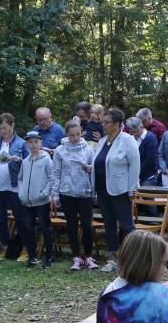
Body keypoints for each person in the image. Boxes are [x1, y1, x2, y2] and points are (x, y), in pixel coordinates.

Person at [91, 108, 142, 271]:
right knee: (109, 224)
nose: (103, 125)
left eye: (107, 122)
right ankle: (112, 258)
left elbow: (135, 166)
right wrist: (89, 168)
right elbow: (100, 162)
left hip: (121, 190)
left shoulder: (127, 140)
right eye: (103, 122)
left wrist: (132, 190)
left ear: (118, 124)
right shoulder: (103, 141)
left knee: (127, 225)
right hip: (102, 189)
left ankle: (134, 258)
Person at [53, 116, 96, 270]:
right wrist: (55, 194)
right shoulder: (60, 150)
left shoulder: (88, 149)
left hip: (85, 192)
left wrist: (89, 169)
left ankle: (89, 256)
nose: (75, 138)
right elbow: (56, 172)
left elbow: (94, 171)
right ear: (66, 134)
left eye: (78, 134)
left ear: (81, 133)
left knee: (87, 226)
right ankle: (76, 257)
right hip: (67, 192)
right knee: (71, 226)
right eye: (72, 135)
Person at [14, 130, 59, 267]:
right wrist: (21, 192)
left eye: (36, 142)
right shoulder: (26, 161)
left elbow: (52, 177)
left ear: (40, 143)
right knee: (28, 227)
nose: (33, 145)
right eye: (30, 142)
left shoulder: (46, 159)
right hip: (26, 201)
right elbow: (20, 178)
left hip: (41, 201)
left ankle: (49, 256)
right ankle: (32, 256)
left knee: (46, 228)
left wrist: (45, 193)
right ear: (27, 144)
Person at [0, 113, 26, 261]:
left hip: (15, 186)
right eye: (1, 128)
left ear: (12, 125)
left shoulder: (21, 143)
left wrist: (18, 159)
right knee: (1, 219)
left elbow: (28, 162)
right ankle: (5, 248)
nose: (3, 131)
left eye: (6, 127)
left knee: (20, 218)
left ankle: (24, 249)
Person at [131, 115, 159, 186]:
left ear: (141, 126)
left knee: (146, 196)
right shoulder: (131, 138)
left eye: (136, 131)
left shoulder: (150, 138)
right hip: (134, 175)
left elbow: (150, 160)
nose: (134, 134)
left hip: (149, 175)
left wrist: (136, 172)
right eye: (132, 132)